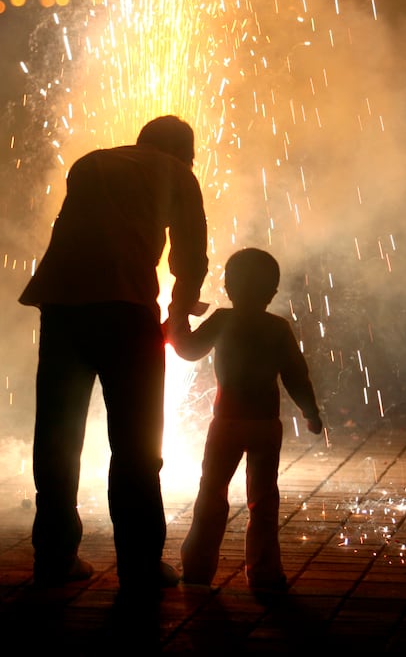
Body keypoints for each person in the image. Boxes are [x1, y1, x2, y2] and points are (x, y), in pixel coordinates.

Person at [19, 115, 209, 594]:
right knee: (137, 445)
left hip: (62, 306)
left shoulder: (91, 163)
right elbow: (190, 259)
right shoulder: (178, 174)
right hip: (126, 310)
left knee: (58, 438)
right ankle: (140, 565)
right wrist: (178, 315)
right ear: (185, 153)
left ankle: (55, 557)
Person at [165, 247, 323, 594]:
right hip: (266, 424)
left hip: (227, 422)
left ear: (228, 287)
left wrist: (177, 320)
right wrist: (309, 411)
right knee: (263, 500)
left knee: (211, 492)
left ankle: (197, 569)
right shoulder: (278, 328)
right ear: (272, 292)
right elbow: (297, 375)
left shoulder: (223, 320)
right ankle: (265, 573)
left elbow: (189, 350)